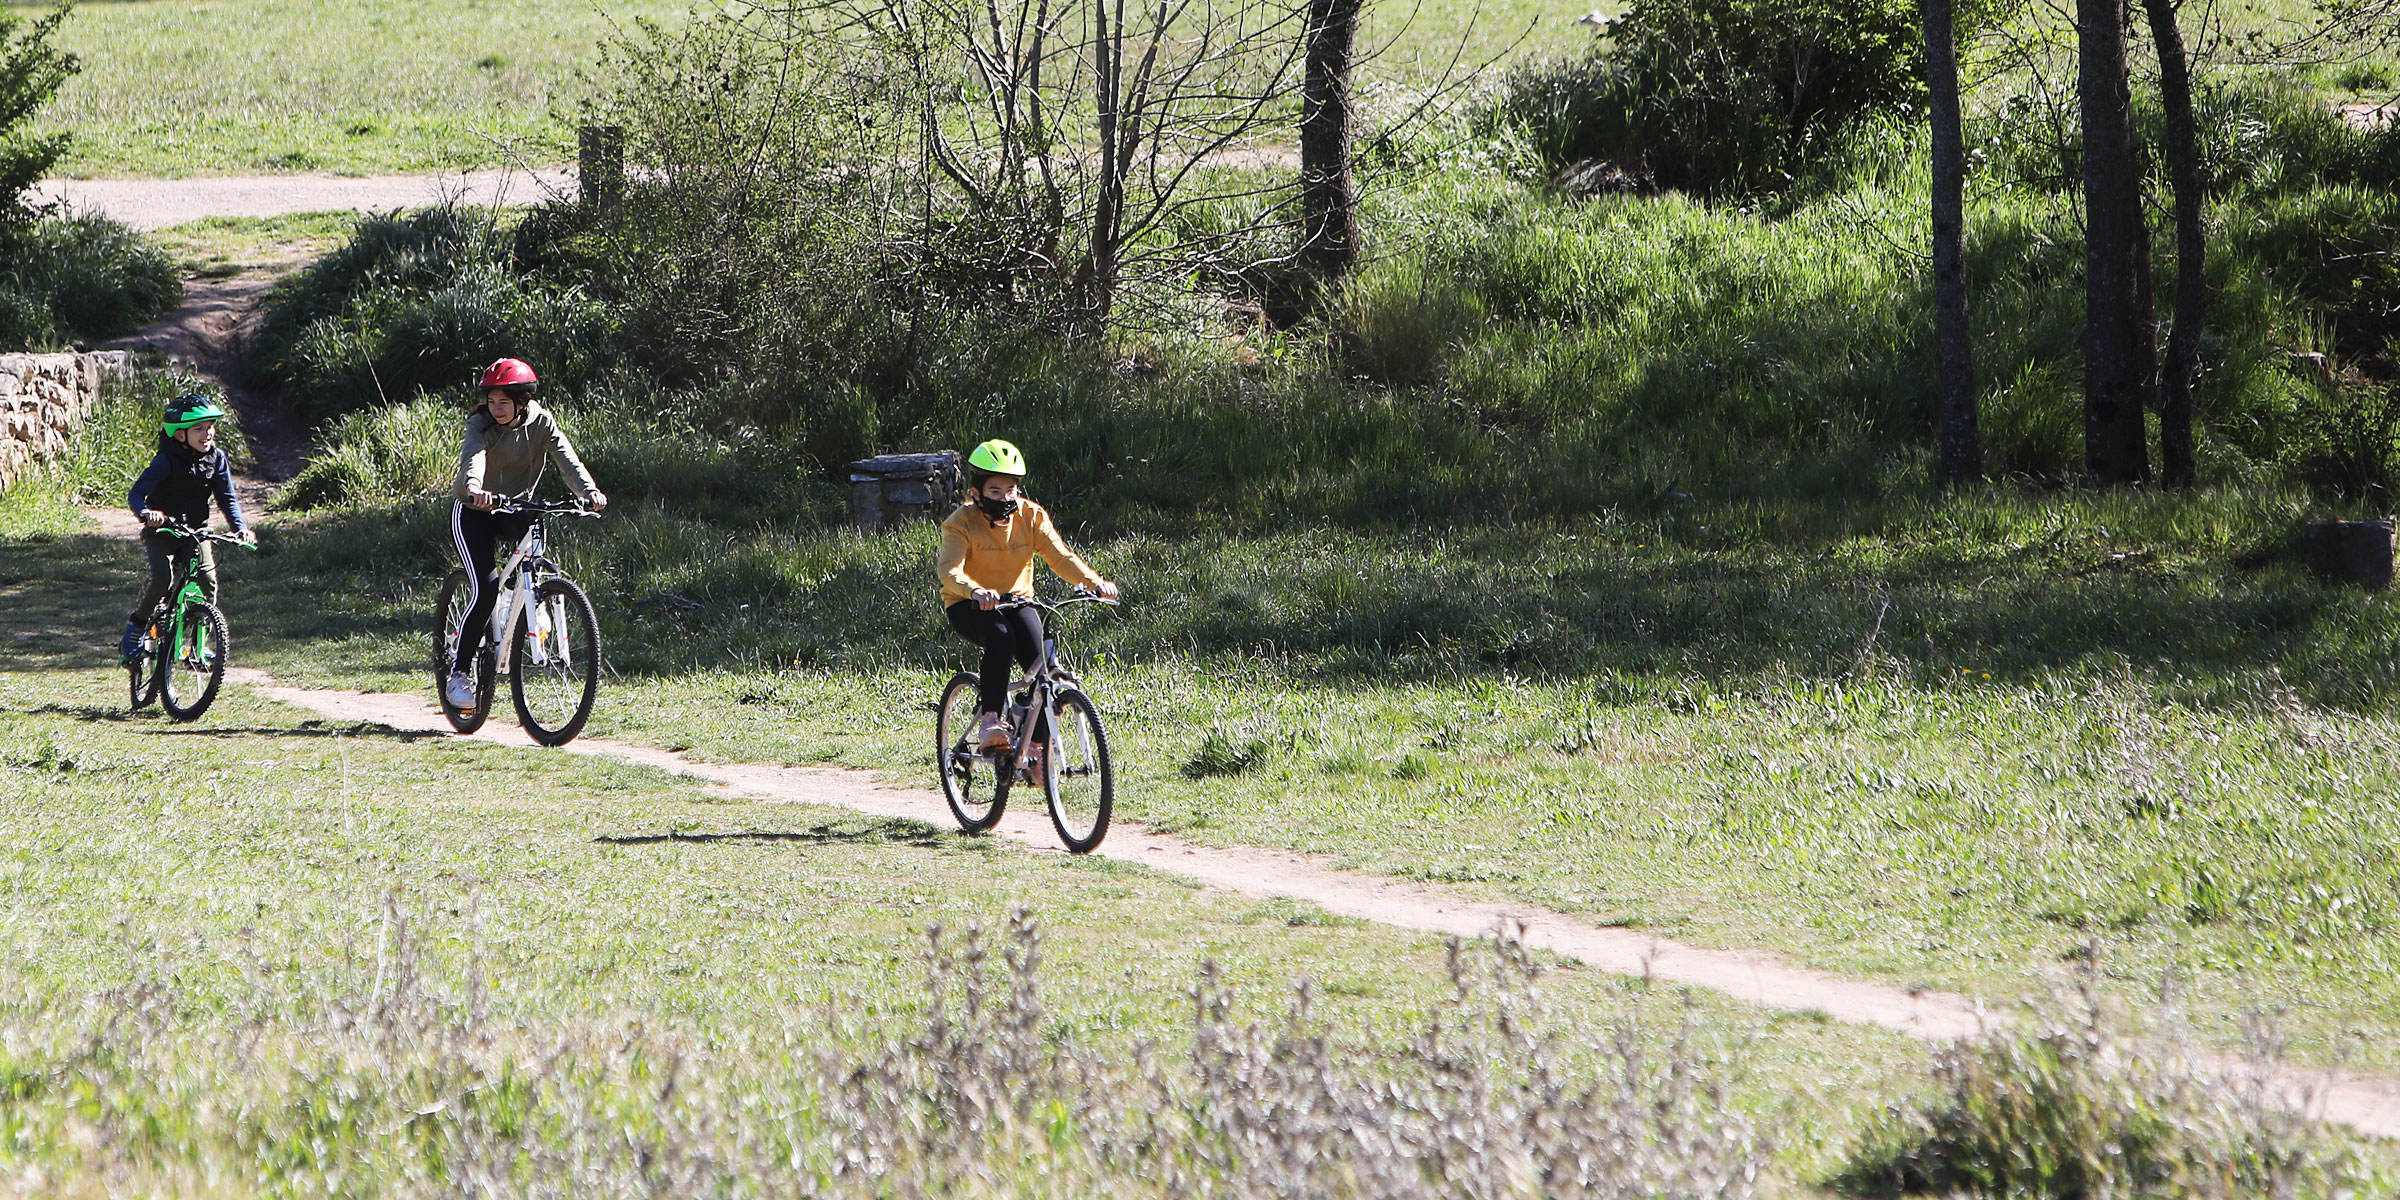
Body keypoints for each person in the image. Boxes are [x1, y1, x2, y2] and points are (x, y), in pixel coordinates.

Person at [937, 438, 1118, 760]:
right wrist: (975, 590)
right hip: (968, 603)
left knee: (1044, 668)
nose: (1005, 498)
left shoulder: (1031, 516)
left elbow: (1061, 557)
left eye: (1011, 490)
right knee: (1000, 637)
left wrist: (1095, 583)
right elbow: (949, 571)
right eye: (995, 491)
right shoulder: (960, 523)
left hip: (1017, 600)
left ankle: (1033, 749)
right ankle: (991, 720)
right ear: (976, 492)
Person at [444, 358, 607, 709]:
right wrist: (474, 487)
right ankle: (458, 674)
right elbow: (474, 457)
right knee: (486, 589)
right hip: (475, 511)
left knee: (535, 553)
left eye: (504, 401)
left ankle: (535, 603)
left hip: (517, 507)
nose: (496, 408)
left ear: (523, 400)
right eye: (492, 401)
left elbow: (568, 460)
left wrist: (589, 492)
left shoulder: (541, 422)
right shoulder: (480, 424)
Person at [120, 393, 254, 661]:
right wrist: (147, 513)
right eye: (199, 429)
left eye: (210, 427)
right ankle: (135, 630)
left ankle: (197, 643)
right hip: (164, 530)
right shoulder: (166, 461)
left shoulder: (217, 459)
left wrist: (240, 527)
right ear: (180, 435)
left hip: (195, 531)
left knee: (207, 580)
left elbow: (227, 498)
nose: (208, 434)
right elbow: (137, 493)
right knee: (161, 577)